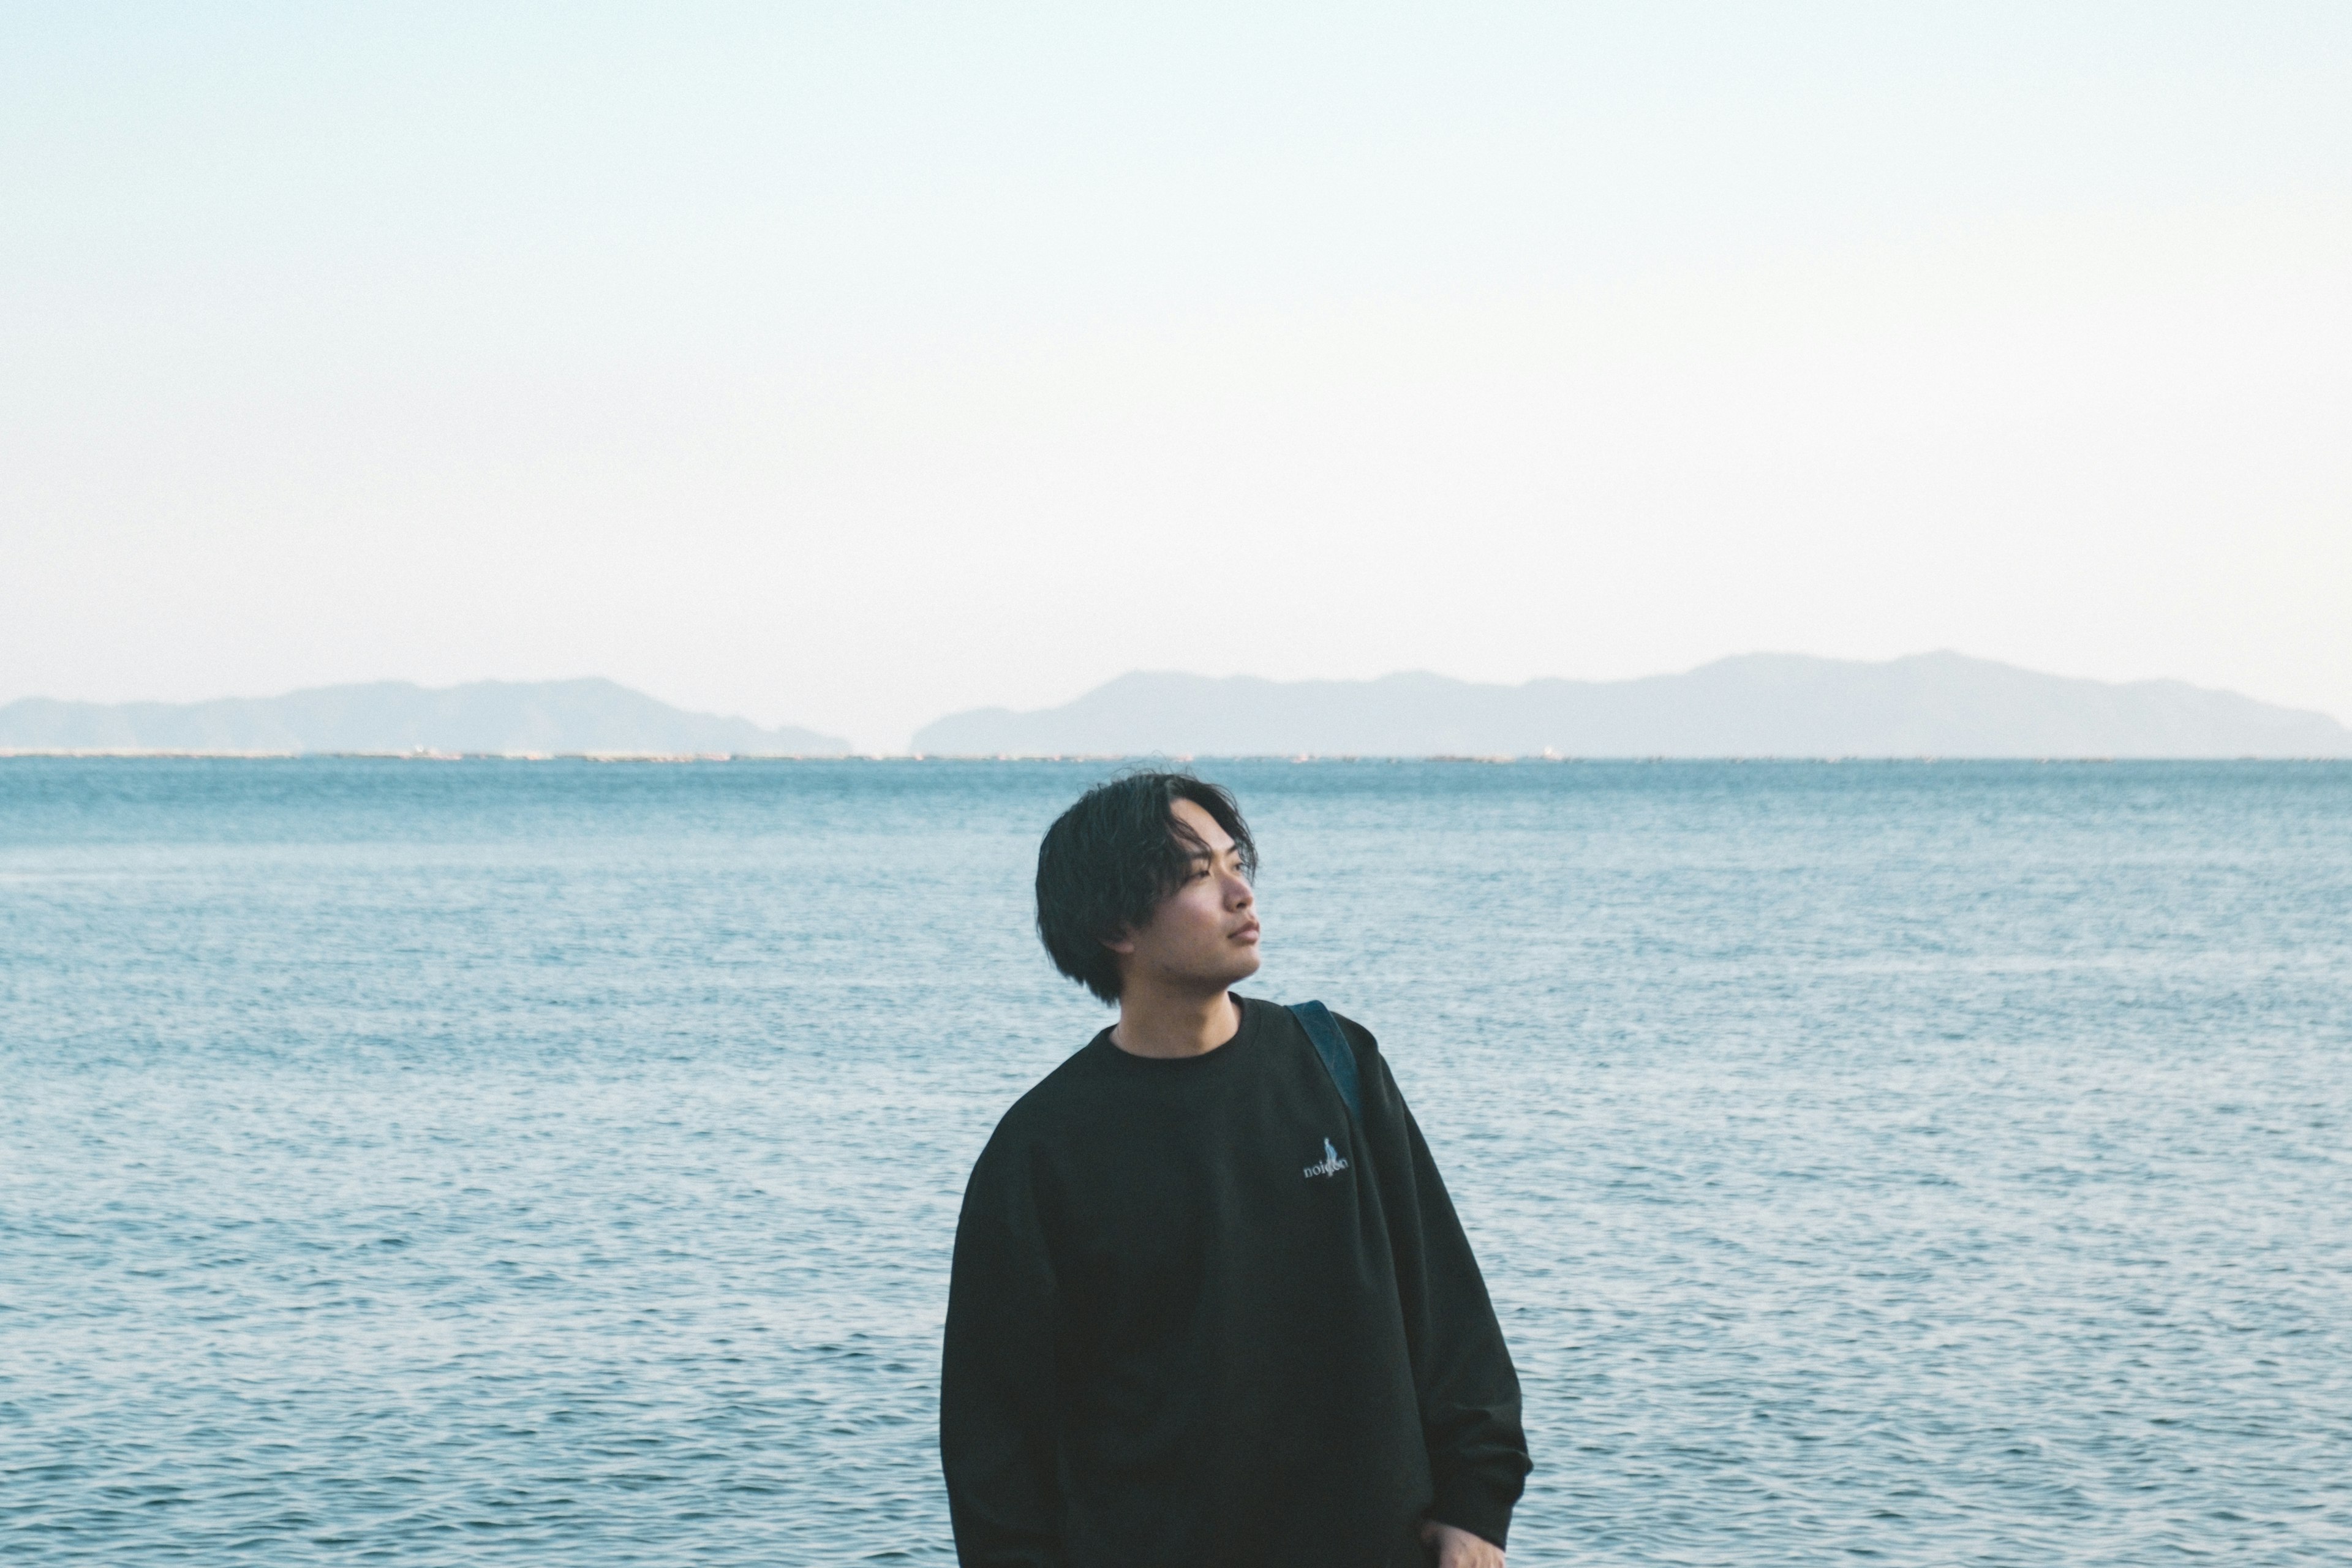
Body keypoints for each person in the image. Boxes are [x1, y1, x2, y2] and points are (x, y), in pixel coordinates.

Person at [940, 771, 1531, 1567]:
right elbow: (994, 1438)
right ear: (1118, 923)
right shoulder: (1042, 1150)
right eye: (1198, 875)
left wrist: (1476, 1507)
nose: (1240, 894)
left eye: (1236, 863)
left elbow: (1448, 1310)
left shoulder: (1335, 1063)